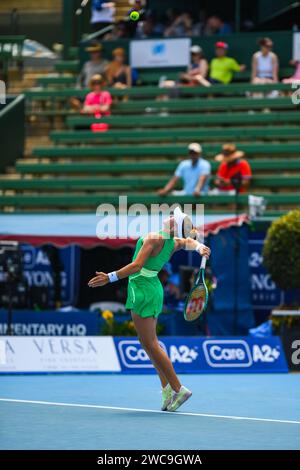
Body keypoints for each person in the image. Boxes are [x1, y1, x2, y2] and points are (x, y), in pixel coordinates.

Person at [88, 207, 211, 411]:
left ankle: (178, 388)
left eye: (174, 217)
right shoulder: (172, 242)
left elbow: (136, 266)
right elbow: (188, 240)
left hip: (143, 288)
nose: (170, 216)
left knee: (151, 343)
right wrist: (199, 247)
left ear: (173, 226)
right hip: (152, 288)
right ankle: (167, 391)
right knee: (148, 343)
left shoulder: (154, 238)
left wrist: (108, 278)